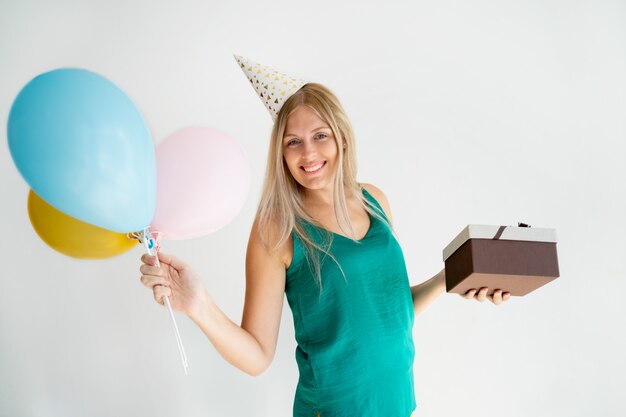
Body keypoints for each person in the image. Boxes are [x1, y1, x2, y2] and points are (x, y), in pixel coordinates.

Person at [139, 57, 511, 417]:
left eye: (320, 135)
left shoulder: (375, 200)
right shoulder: (277, 229)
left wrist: (453, 279)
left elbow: (388, 312)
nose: (309, 153)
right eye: (293, 142)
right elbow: (257, 355)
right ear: (280, 154)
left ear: (342, 139)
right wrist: (198, 304)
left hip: (398, 405)